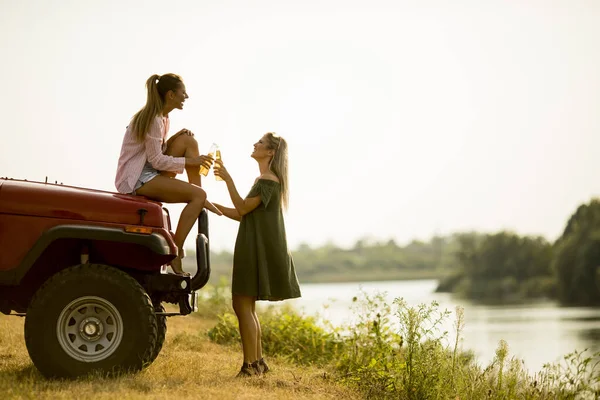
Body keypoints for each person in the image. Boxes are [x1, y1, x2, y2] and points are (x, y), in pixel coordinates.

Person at [115, 73, 222, 276]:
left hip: (150, 171)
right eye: (183, 93)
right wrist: (192, 162)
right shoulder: (152, 119)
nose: (186, 96)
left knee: (188, 140)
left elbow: (155, 150)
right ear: (171, 94)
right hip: (136, 179)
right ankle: (176, 251)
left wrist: (175, 138)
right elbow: (156, 160)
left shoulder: (164, 118)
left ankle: (198, 194)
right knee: (198, 197)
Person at [213, 132, 301, 377]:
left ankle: (251, 366)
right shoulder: (267, 179)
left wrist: (228, 179)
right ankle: (258, 362)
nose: (254, 144)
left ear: (270, 152)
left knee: (242, 305)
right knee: (245, 306)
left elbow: (242, 207)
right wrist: (212, 206)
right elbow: (244, 214)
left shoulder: (267, 180)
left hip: (254, 249)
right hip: (253, 246)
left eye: (260, 143)